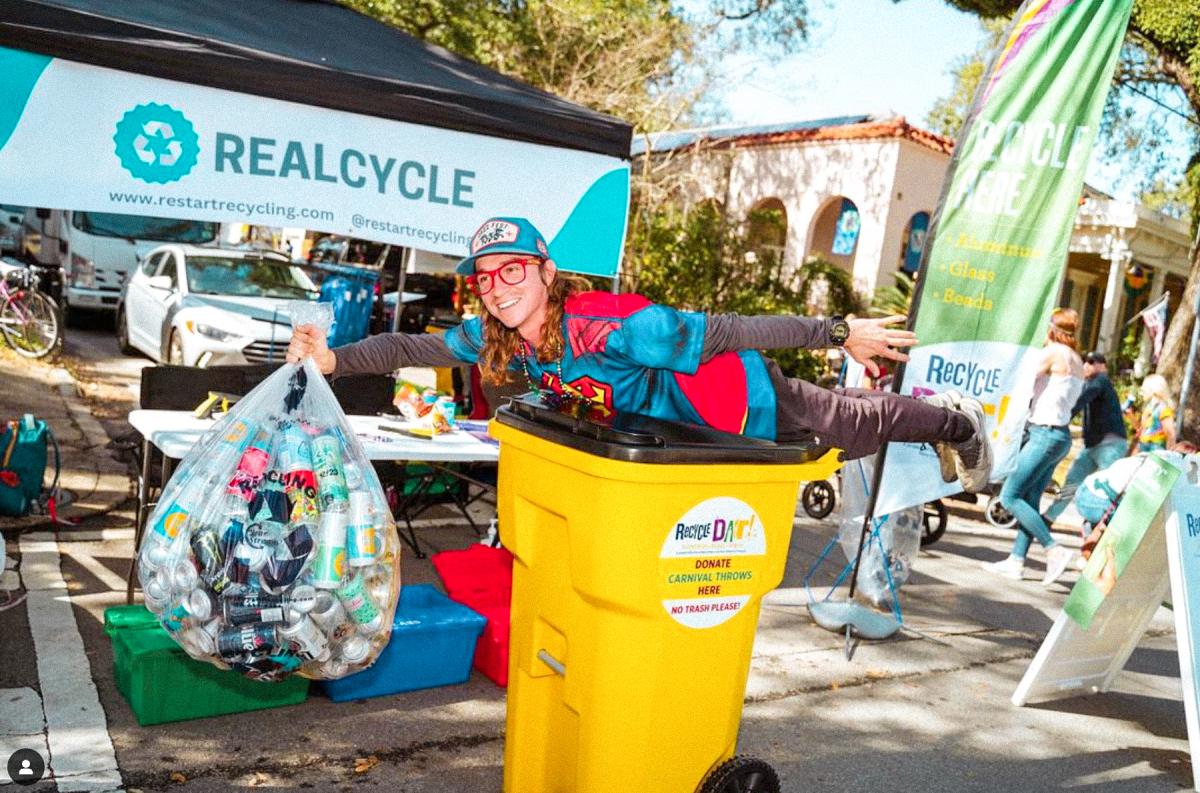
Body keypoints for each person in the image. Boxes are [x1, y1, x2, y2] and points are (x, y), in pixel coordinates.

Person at [287, 216, 993, 486]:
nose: (499, 288)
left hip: (738, 393)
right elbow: (413, 341)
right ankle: (920, 417)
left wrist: (839, 332)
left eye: (514, 270)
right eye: (486, 277)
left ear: (545, 272)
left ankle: (958, 423)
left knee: (849, 427)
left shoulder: (617, 327)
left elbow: (735, 328)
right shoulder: (498, 334)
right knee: (845, 432)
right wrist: (335, 361)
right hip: (683, 434)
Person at [984, 308, 1084, 586]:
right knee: (1029, 500)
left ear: (1051, 330)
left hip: (1043, 434)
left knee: (1010, 497)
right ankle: (1016, 561)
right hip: (1060, 437)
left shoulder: (1053, 352)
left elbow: (1022, 379)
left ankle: (1054, 549)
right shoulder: (1076, 359)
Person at [1039, 351, 1127, 526]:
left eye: (1093, 361)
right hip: (1094, 445)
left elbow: (1081, 400)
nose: (1087, 364)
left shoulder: (1100, 381)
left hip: (1110, 445)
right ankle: (1049, 517)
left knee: (1112, 488)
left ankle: (1112, 524)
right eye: (1085, 361)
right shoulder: (1090, 383)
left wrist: (1063, 418)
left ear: (1103, 366)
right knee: (1073, 481)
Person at [1134, 373, 1177, 452]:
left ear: (1153, 390)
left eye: (1144, 389)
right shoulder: (1148, 409)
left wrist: (1169, 455)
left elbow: (1171, 434)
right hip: (1144, 449)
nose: (1141, 392)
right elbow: (1143, 432)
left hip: (1156, 450)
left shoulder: (1163, 409)